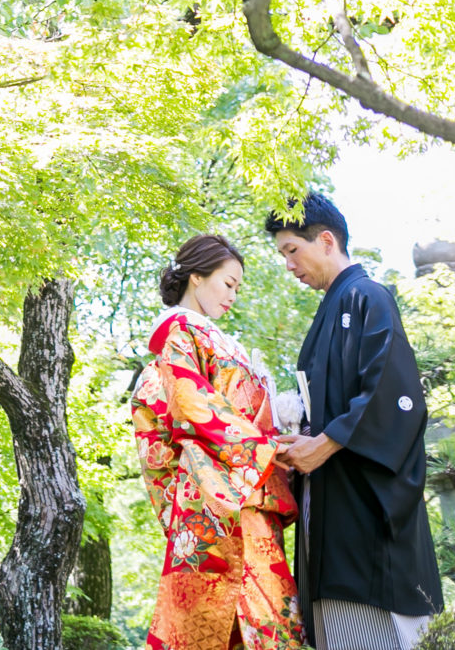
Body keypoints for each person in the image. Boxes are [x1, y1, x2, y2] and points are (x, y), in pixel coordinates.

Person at [268, 192, 442, 650]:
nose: (289, 266)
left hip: (364, 510)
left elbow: (391, 391)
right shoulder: (328, 312)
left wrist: (324, 443)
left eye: (293, 251)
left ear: (326, 241)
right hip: (326, 506)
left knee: (375, 626)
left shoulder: (368, 296)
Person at [131, 234, 306, 650]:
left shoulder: (213, 338)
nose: (233, 296)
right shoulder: (179, 332)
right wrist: (269, 448)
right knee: (262, 620)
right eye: (228, 284)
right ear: (196, 277)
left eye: (237, 289)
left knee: (255, 621)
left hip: (245, 486)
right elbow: (193, 406)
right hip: (226, 494)